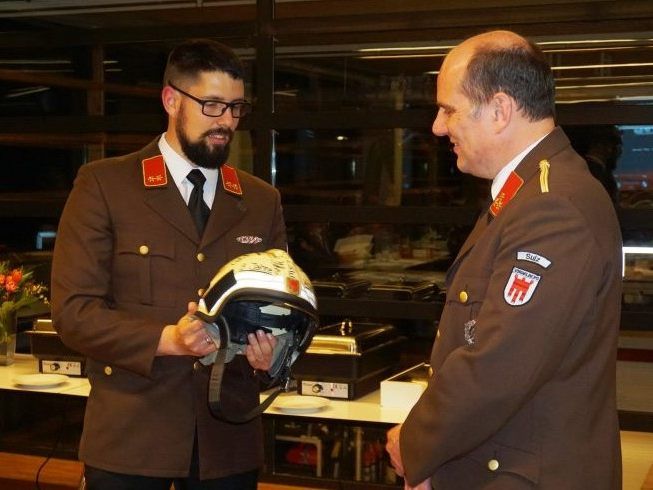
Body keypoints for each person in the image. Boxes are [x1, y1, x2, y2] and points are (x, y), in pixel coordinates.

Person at [385, 30, 622, 489]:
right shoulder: (528, 193)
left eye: (449, 110)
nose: (437, 127)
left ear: (499, 110)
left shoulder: (553, 207)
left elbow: (499, 364)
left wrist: (416, 443)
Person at [51, 39, 286, 490]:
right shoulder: (105, 185)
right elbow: (74, 313)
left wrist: (272, 354)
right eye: (211, 105)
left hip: (228, 438)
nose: (226, 122)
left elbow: (279, 307)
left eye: (236, 108)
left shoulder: (261, 200)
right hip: (131, 437)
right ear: (171, 100)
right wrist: (168, 341)